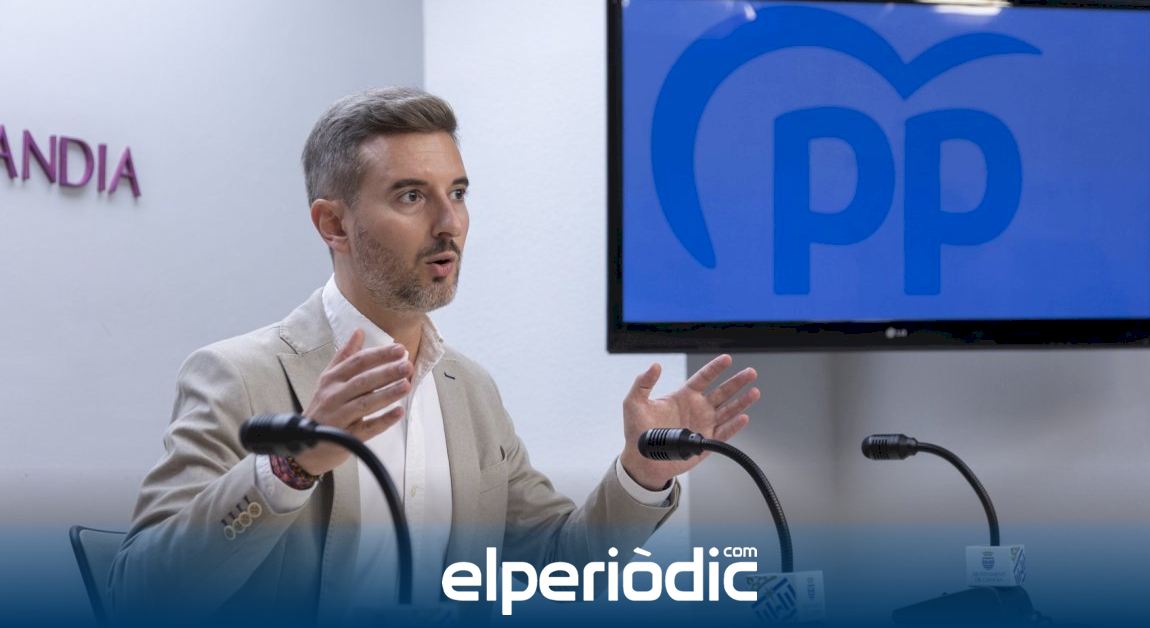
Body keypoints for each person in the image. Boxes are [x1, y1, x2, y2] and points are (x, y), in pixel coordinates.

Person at [107, 87, 760, 623]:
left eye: (459, 193)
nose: (449, 223)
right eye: (412, 196)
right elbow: (140, 596)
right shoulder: (239, 376)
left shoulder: (470, 390)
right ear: (333, 224)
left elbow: (557, 566)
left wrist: (641, 474)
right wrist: (290, 467)